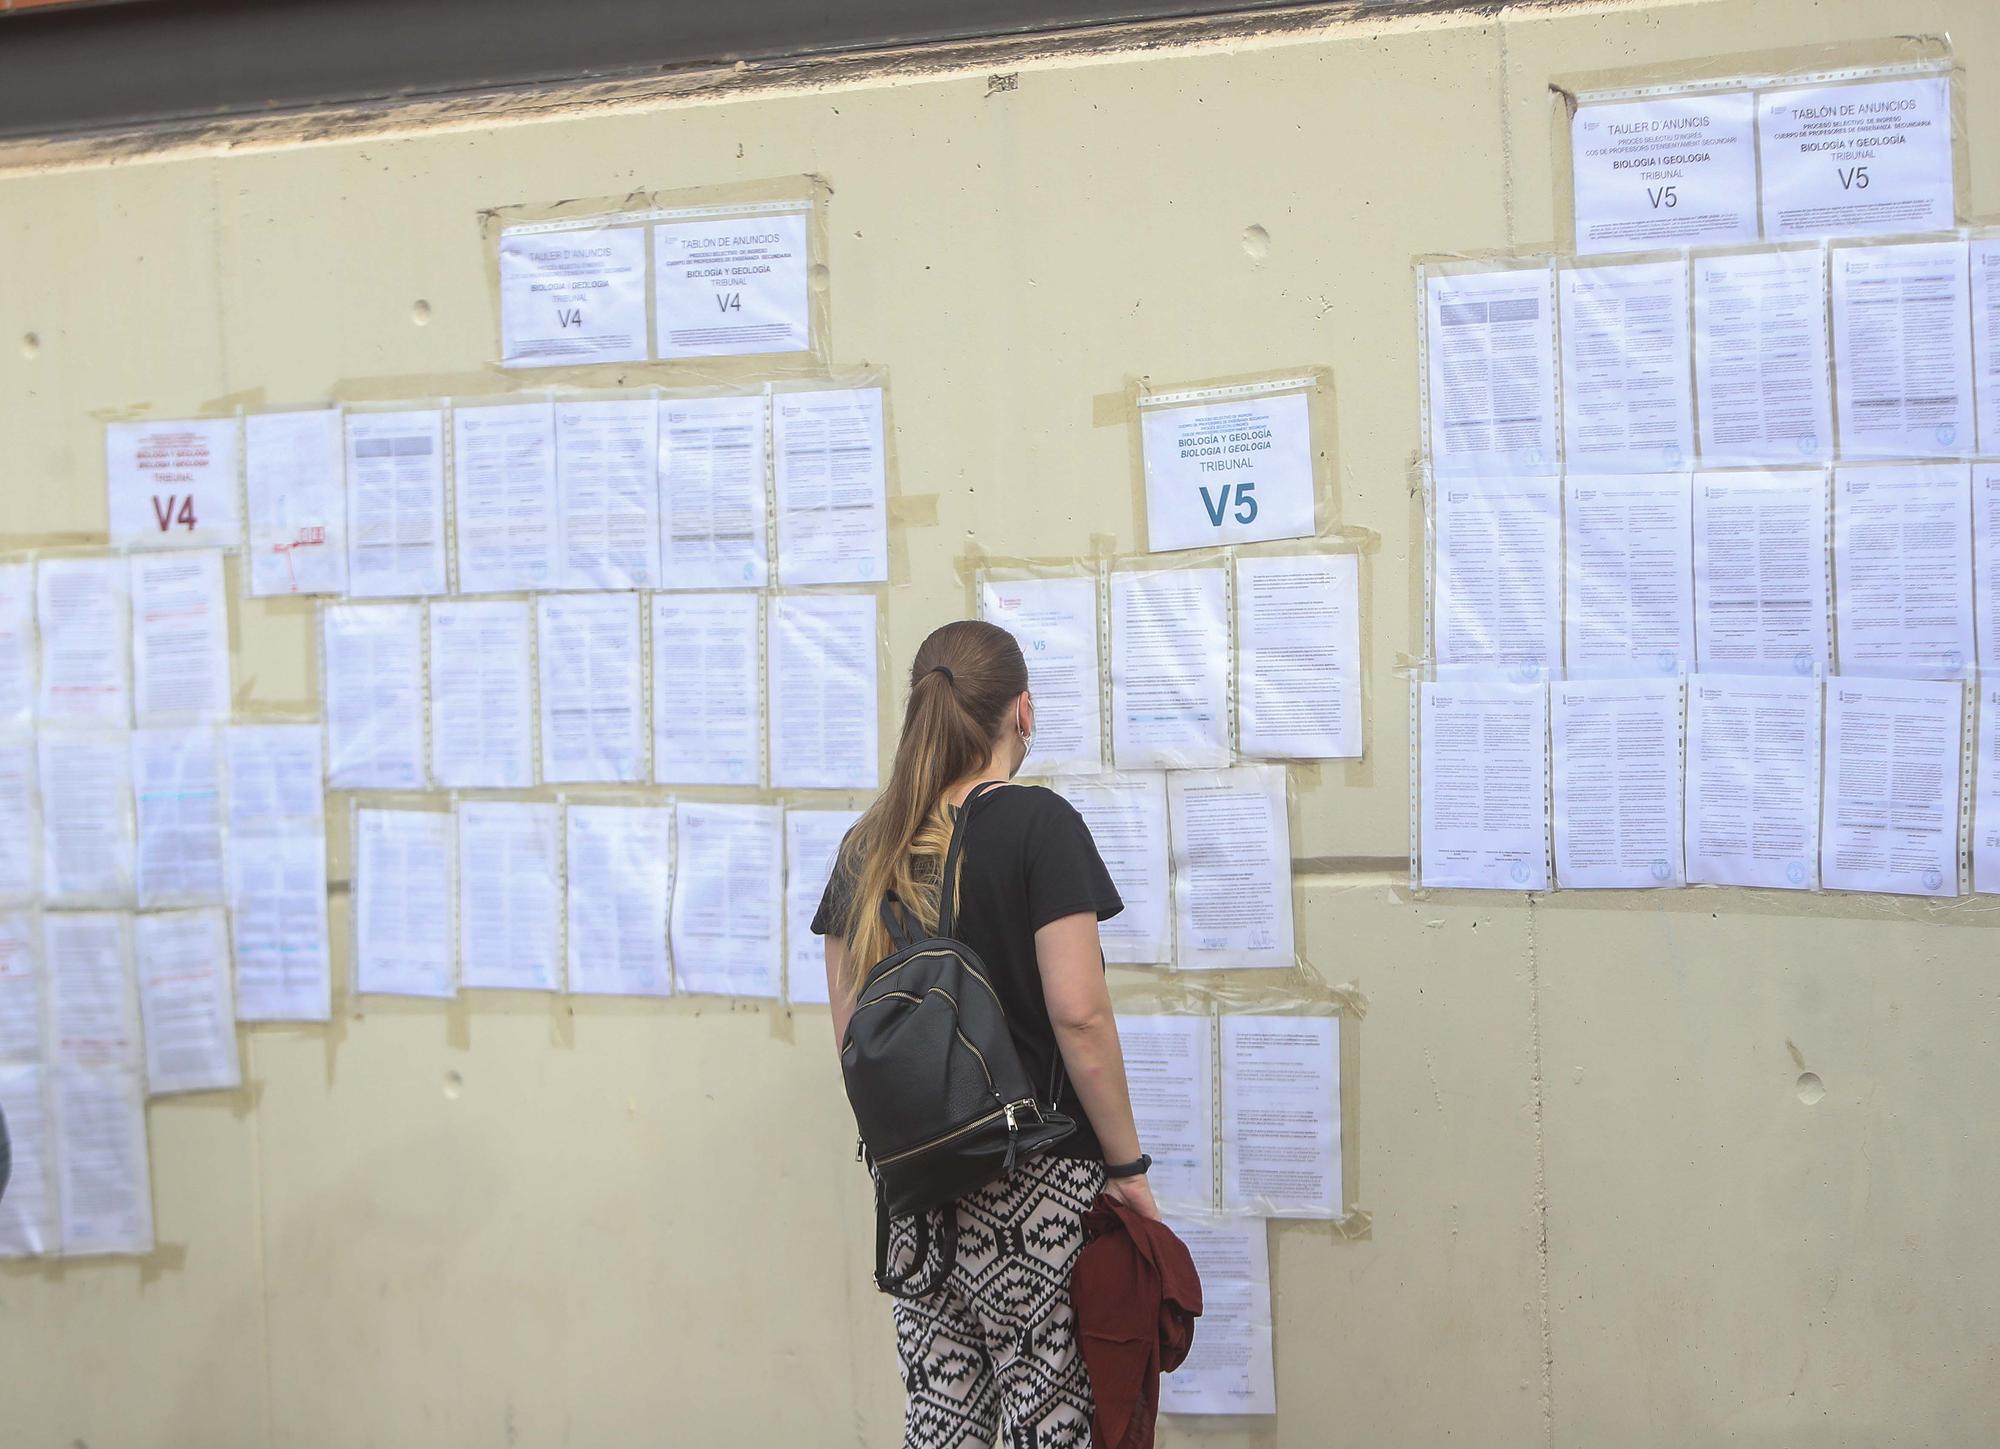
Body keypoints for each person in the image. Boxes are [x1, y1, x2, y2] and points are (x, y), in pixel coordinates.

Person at [814, 619, 1160, 1449]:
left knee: (944, 1426)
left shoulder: (868, 847)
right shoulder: (1039, 825)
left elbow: (852, 1041)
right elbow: (1079, 1012)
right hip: (1032, 1185)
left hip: (917, 1197)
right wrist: (1128, 1170)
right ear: (1024, 712)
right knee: (1053, 1422)